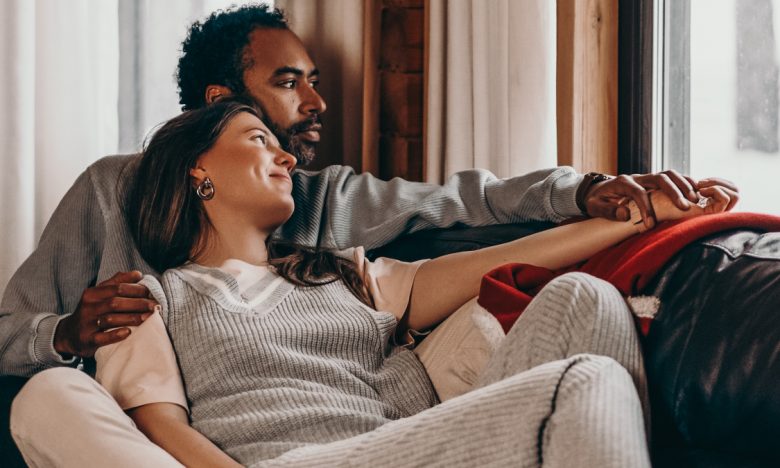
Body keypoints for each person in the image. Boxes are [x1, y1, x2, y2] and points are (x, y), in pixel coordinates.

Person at [0, 4, 736, 381]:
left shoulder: (322, 203)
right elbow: (8, 331)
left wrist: (596, 193)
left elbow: (465, 198)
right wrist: (65, 335)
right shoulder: (109, 190)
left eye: (316, 80)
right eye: (289, 84)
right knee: (51, 399)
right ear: (220, 104)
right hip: (142, 414)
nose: (317, 103)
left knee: (563, 314)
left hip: (316, 415)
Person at [10, 99, 734, 467]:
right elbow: (159, 427)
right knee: (587, 385)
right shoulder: (151, 296)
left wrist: (632, 217)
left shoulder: (341, 272)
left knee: (586, 299)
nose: (287, 156)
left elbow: (485, 265)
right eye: (257, 138)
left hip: (400, 446)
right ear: (197, 171)